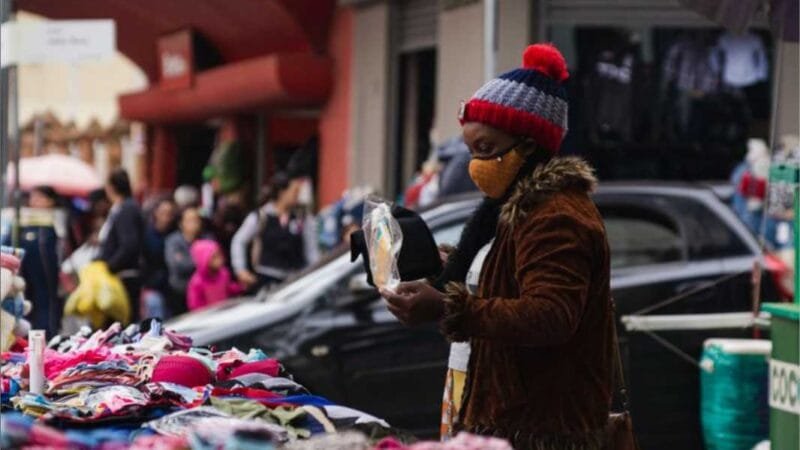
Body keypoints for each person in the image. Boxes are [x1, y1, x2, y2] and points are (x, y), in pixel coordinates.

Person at [380, 44, 613, 449]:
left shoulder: (557, 216)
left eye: (486, 148)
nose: (474, 165)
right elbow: (507, 278)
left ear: (529, 145)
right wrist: (446, 266)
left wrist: (448, 307)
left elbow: (550, 314)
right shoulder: (506, 210)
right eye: (470, 150)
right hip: (505, 416)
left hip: (542, 430)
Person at [231, 172, 319, 290]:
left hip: (296, 281)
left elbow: (312, 251)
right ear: (282, 192)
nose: (298, 195)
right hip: (266, 280)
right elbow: (239, 240)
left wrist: (316, 275)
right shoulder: (261, 216)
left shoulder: (303, 218)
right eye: (295, 191)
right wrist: (241, 270)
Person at [10, 186, 64, 335]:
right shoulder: (22, 221)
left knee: (45, 296)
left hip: (47, 276)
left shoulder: (56, 221)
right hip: (27, 271)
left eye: (40, 198)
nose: (35, 202)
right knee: (27, 296)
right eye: (33, 198)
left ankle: (47, 334)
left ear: (51, 201)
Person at [98, 169, 144, 322]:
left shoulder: (127, 209)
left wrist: (111, 265)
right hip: (120, 275)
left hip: (124, 277)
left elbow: (129, 244)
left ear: (111, 187)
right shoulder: (121, 208)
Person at [165, 206, 204, 317]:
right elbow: (177, 266)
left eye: (196, 220)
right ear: (181, 223)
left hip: (203, 291)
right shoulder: (173, 241)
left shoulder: (206, 238)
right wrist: (200, 262)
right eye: (190, 220)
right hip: (181, 292)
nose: (194, 223)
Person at [141, 197, 177, 319]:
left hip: (172, 288)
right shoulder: (147, 236)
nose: (166, 217)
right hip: (154, 287)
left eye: (170, 214)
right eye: (163, 213)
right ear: (156, 213)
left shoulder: (175, 235)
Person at [186, 239, 241, 311]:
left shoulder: (224, 273)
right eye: (214, 257)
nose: (220, 259)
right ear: (203, 260)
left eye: (220, 255)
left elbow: (227, 288)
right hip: (209, 317)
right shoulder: (197, 282)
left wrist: (239, 287)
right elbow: (194, 305)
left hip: (225, 311)